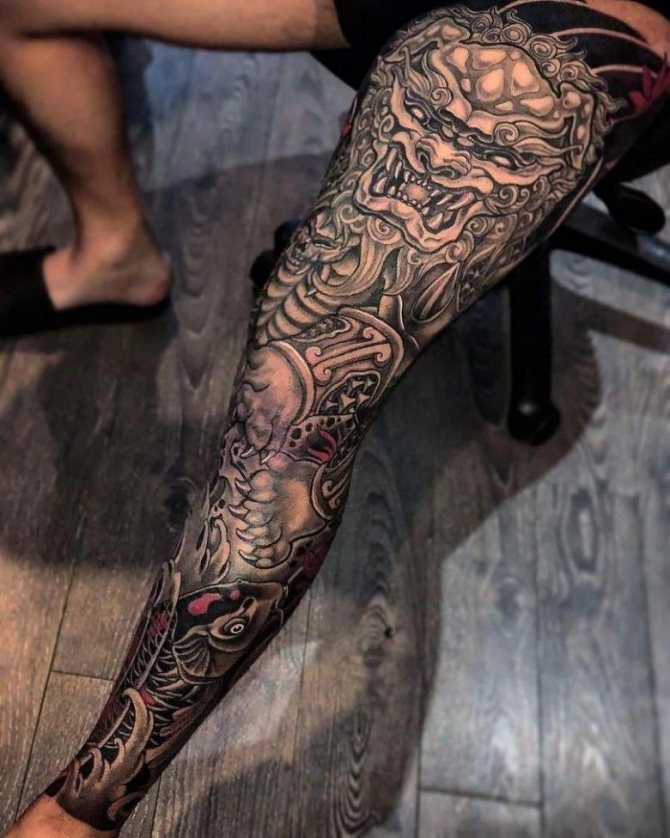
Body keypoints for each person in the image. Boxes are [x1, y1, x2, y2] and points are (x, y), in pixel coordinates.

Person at [2, 0, 669, 834]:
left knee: (292, 413)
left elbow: (285, 450)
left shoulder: (511, 77)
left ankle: (79, 811)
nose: (424, 164)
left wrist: (81, 810)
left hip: (559, 22)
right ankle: (112, 259)